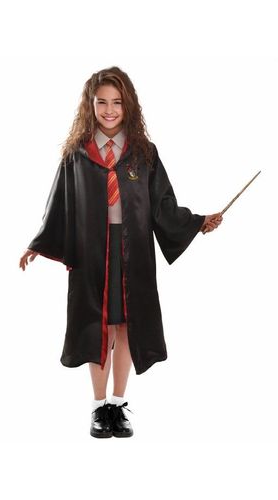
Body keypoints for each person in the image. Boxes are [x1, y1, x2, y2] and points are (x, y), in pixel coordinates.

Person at [19, 67, 222, 439]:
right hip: (91, 252)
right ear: (90, 105)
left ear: (128, 105)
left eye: (117, 102)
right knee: (96, 327)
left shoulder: (144, 153)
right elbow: (59, 203)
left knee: (127, 324)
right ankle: (98, 407)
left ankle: (118, 403)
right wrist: (39, 242)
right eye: (102, 103)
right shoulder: (77, 154)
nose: (110, 110)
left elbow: (162, 205)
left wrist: (196, 223)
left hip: (134, 252)